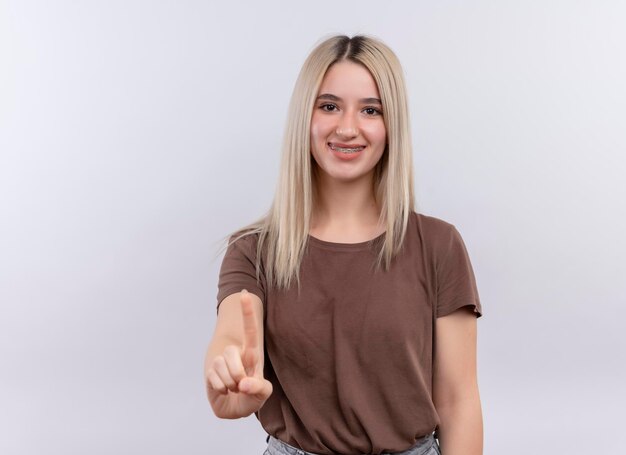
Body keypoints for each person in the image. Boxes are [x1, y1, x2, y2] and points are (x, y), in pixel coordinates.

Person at [204, 35, 483, 455]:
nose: (348, 127)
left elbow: (458, 402)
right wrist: (226, 374)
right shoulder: (252, 252)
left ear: (392, 127)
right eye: (329, 106)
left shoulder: (439, 246)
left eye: (370, 110)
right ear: (305, 116)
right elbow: (231, 335)